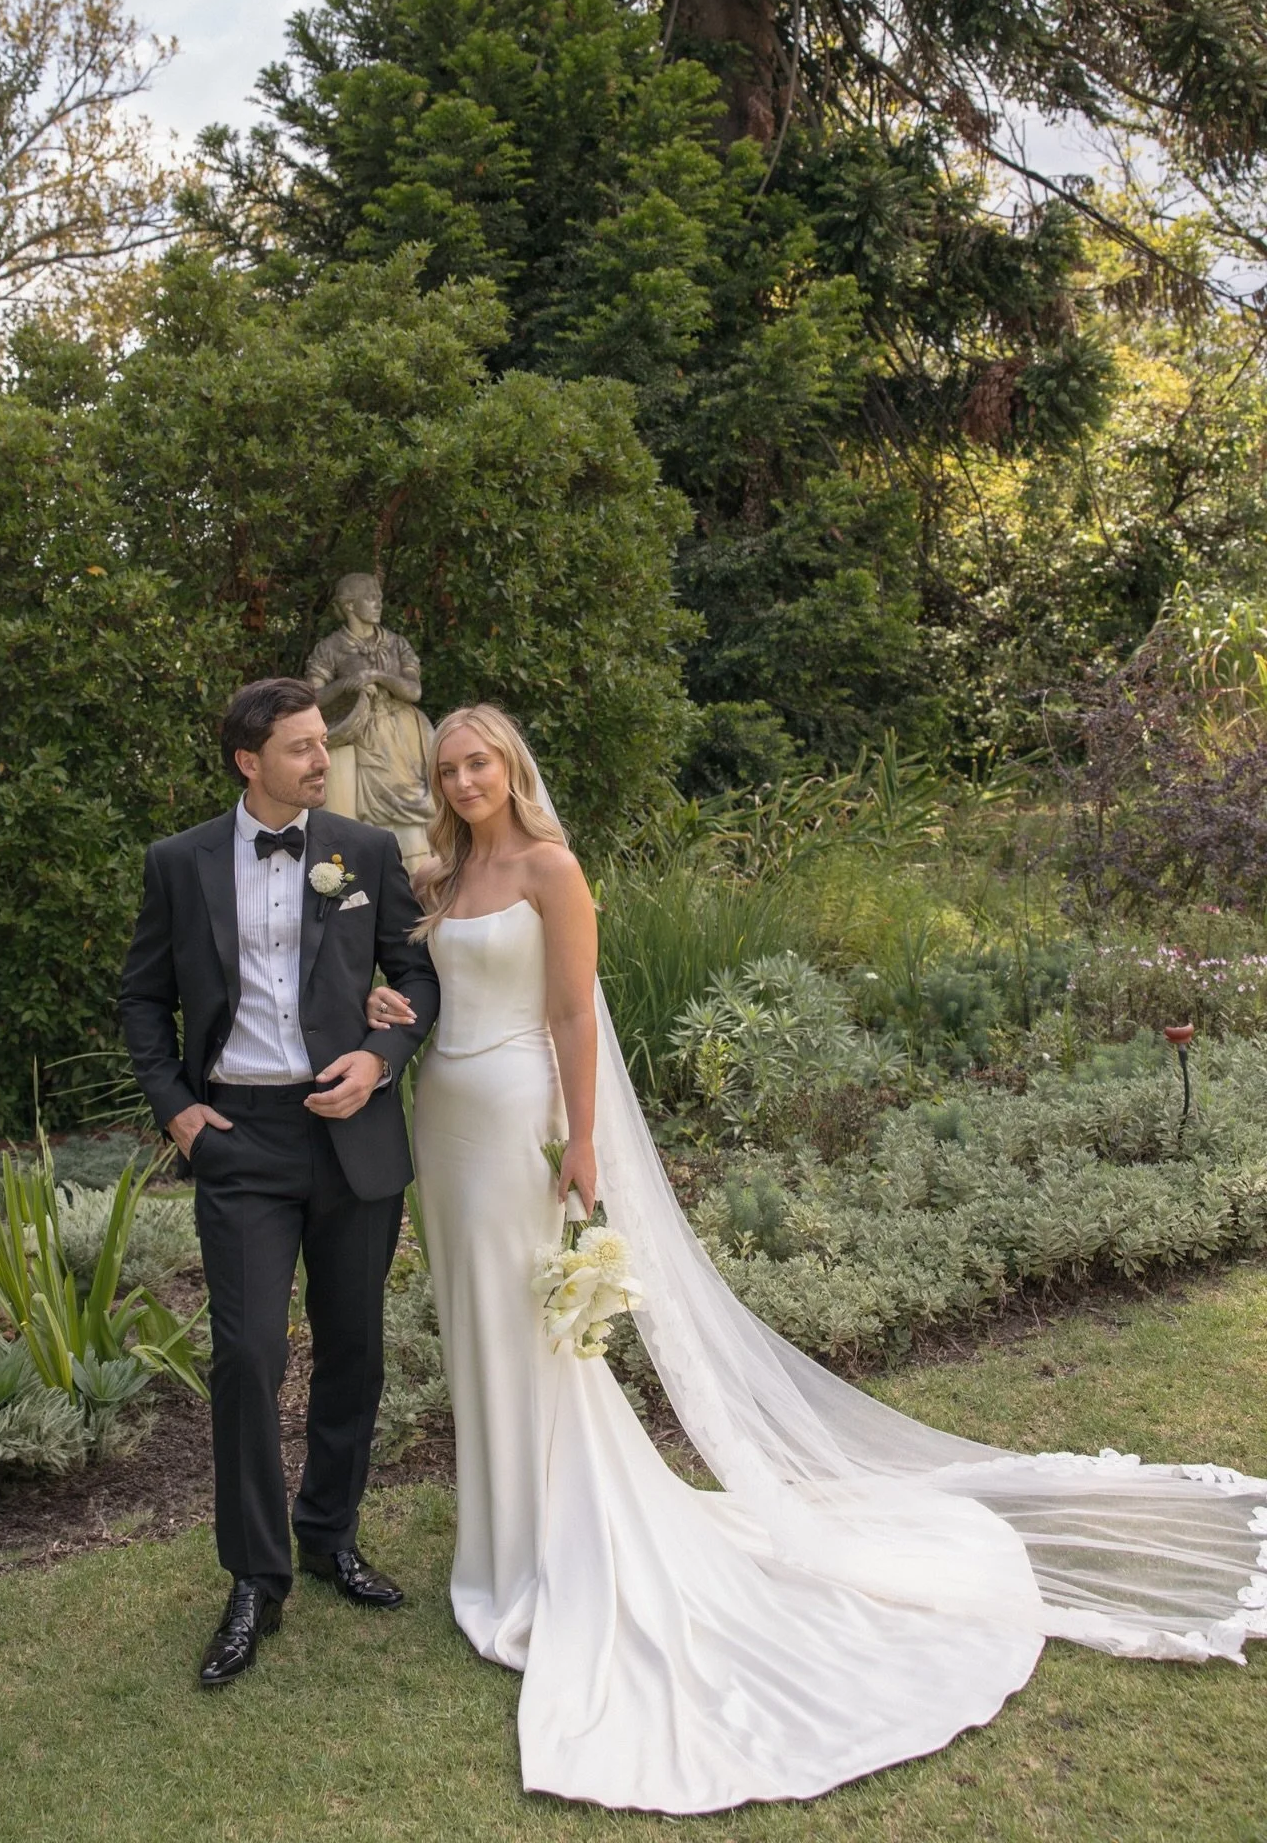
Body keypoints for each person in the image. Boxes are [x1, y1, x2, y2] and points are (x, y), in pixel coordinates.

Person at [367, 701, 1267, 1815]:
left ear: (510, 768)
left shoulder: (553, 868)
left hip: (515, 1116)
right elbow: (424, 992)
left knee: (537, 1329)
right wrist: (384, 999)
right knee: (478, 1321)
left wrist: (584, 1136)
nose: (462, 782)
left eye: (478, 763)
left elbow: (571, 1018)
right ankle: (497, 1540)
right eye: (448, 768)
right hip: (443, 1115)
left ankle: (552, 1543)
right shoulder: (439, 883)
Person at [119, 677, 439, 1688]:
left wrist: (382, 1059)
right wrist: (177, 1109)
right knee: (248, 1355)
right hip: (240, 1141)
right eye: (300, 747)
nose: (319, 760)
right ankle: (255, 1577)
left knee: (354, 1348)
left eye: (321, 744)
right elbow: (142, 998)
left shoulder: (365, 852)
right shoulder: (178, 864)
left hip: (353, 1135)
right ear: (247, 762)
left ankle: (329, 1535)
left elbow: (416, 976)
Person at [306, 573, 435, 872]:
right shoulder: (331, 648)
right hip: (357, 734)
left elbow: (414, 691)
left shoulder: (396, 643)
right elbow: (311, 697)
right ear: (349, 605)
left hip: (403, 738)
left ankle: (420, 884)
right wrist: (345, 685)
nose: (378, 603)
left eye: (378, 596)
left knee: (413, 818)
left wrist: (377, 676)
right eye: (370, 596)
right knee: (358, 820)